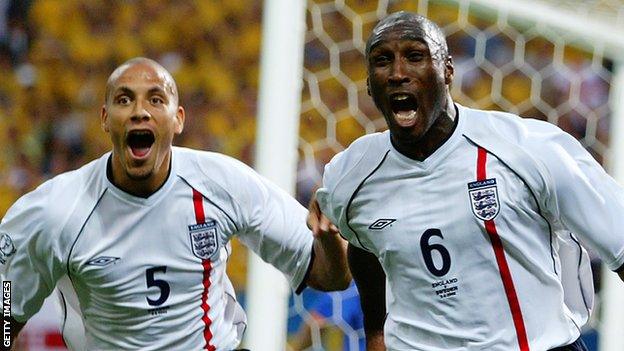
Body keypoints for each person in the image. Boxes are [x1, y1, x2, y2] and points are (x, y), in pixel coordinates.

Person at [308, 11, 624, 351]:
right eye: (382, 61)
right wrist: (376, 336)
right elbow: (363, 246)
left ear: (447, 71)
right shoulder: (349, 176)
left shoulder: (531, 148)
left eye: (415, 56)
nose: (398, 73)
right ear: (369, 82)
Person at [0, 57, 350, 350]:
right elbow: (6, 312)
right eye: (124, 100)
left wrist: (329, 235)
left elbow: (330, 276)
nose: (139, 112)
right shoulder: (55, 210)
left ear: (178, 118)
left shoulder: (223, 183)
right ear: (105, 118)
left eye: (155, 99)